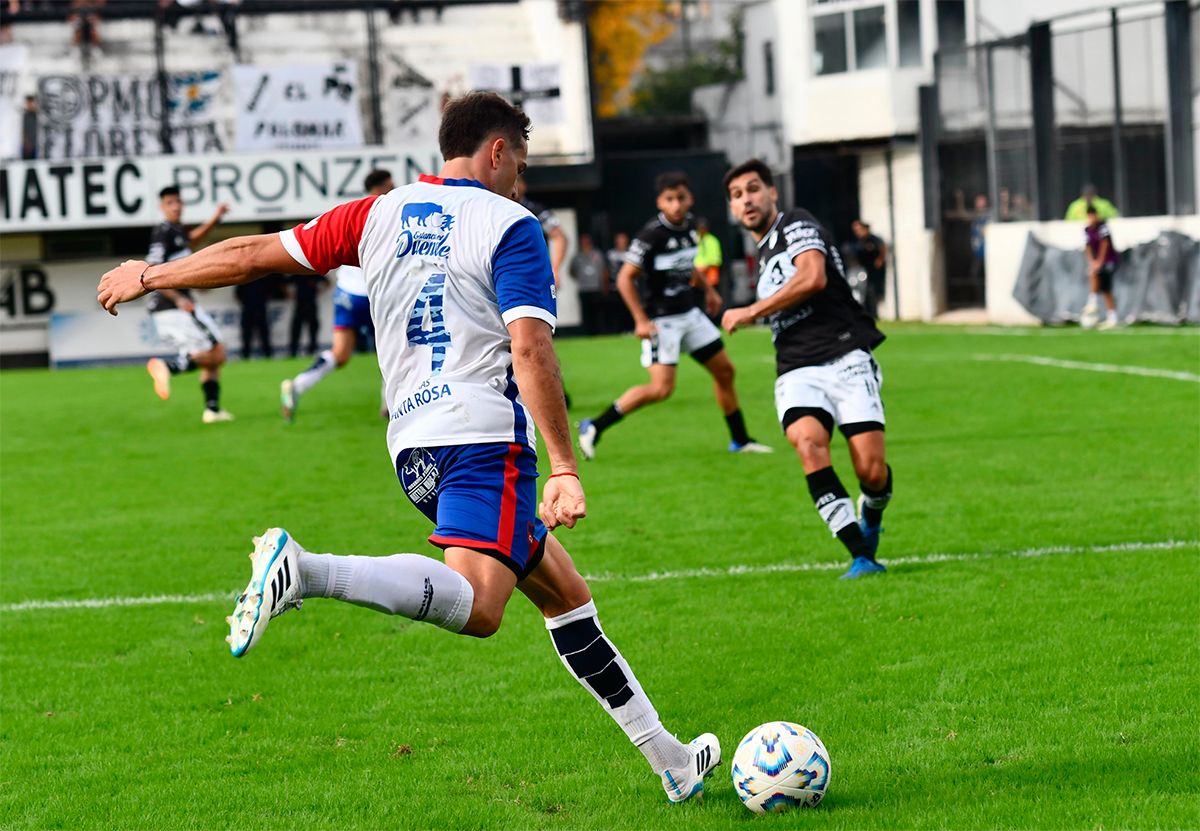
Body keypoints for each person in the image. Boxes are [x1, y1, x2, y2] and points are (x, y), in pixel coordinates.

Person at [97, 91, 720, 803]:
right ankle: (307, 571)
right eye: (520, 164)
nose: (521, 181)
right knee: (482, 609)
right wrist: (564, 466)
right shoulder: (511, 224)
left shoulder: (375, 213)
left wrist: (149, 275)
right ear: (497, 151)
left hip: (413, 449)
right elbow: (530, 349)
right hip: (483, 439)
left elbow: (251, 254)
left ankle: (671, 760)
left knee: (565, 597)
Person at [720, 159, 892, 580]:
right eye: (737, 195)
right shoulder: (761, 252)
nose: (747, 200)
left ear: (772, 193)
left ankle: (871, 512)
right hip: (796, 366)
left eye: (754, 189)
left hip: (845, 352)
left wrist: (752, 311)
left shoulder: (796, 224)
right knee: (808, 443)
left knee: (871, 472)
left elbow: (813, 277)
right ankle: (860, 555)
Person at [578, 172, 771, 459]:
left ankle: (740, 440)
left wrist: (709, 291)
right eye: (669, 199)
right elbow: (625, 278)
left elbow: (687, 264)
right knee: (661, 389)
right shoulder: (651, 235)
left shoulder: (691, 226)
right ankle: (594, 426)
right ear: (660, 202)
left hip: (690, 314)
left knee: (725, 371)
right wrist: (640, 320)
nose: (676, 205)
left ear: (690, 198)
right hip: (662, 321)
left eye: (681, 198)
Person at [280, 169, 394, 421]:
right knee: (393, 348)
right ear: (382, 187)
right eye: (391, 184)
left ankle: (298, 385)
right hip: (371, 294)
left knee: (340, 353)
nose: (394, 187)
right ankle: (389, 406)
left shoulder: (353, 211)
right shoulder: (388, 212)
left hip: (345, 293)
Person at [143, 186, 232, 423]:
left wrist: (216, 216)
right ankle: (168, 367)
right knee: (217, 353)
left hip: (179, 305)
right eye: (170, 203)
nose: (176, 206)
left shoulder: (177, 232)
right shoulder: (163, 232)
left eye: (178, 202)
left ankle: (212, 410)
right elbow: (151, 270)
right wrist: (179, 298)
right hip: (172, 306)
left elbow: (193, 240)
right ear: (162, 207)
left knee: (215, 353)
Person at [516, 177, 568, 286]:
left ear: (524, 185)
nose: (514, 185)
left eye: (518, 180)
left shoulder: (536, 210)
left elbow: (559, 237)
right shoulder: (497, 209)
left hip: (536, 273)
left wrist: (554, 269)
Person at [1082, 203, 1120, 330]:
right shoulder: (1087, 230)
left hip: (1108, 261)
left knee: (1105, 287)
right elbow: (1087, 247)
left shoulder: (1103, 227)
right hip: (1097, 262)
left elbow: (1105, 244)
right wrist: (1092, 262)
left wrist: (1099, 261)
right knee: (1102, 285)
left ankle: (1093, 302)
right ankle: (1111, 316)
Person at [568, 232, 609, 335]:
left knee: (598, 312)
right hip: (584, 289)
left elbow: (604, 271)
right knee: (586, 313)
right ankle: (588, 332)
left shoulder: (597, 255)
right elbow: (572, 271)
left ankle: (600, 332)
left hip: (596, 288)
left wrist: (604, 286)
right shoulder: (577, 257)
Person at [849, 219, 887, 319]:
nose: (857, 232)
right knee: (861, 291)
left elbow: (882, 247)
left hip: (873, 271)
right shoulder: (858, 242)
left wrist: (880, 259)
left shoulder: (873, 239)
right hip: (862, 271)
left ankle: (873, 313)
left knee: (872, 291)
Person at [234, 275, 273, 360]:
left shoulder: (262, 279)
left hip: (260, 310)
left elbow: (269, 293)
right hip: (248, 310)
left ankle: (268, 354)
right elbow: (238, 295)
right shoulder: (244, 279)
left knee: (264, 334)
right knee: (247, 335)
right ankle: (245, 356)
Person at [693, 217, 723, 291]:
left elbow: (716, 260)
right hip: (696, 282)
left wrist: (702, 268)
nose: (701, 230)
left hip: (710, 281)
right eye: (700, 228)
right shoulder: (693, 239)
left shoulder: (713, 241)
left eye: (703, 227)